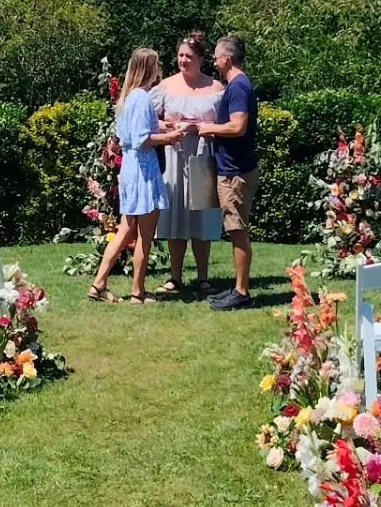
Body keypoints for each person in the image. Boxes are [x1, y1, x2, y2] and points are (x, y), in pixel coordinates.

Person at [88, 49, 186, 304]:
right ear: (148, 69)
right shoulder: (142, 97)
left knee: (124, 230)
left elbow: (137, 130)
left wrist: (166, 125)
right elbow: (144, 139)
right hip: (144, 169)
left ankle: (99, 283)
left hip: (130, 168)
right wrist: (170, 138)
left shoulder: (128, 98)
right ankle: (138, 291)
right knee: (145, 234)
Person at [150, 31, 223, 295]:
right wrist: (169, 125)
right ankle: (175, 277)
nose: (183, 60)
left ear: (201, 59)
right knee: (175, 214)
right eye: (180, 55)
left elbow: (227, 123)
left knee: (203, 215)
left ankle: (204, 278)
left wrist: (204, 127)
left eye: (189, 56)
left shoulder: (215, 88)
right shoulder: (166, 87)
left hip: (204, 154)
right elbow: (149, 120)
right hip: (174, 153)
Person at [198, 34, 258, 310]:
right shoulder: (237, 85)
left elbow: (238, 126)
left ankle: (242, 292)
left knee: (237, 230)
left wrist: (210, 129)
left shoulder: (238, 87)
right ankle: (237, 287)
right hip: (232, 169)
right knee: (235, 228)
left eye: (217, 55)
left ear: (228, 58)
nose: (214, 60)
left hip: (236, 172)